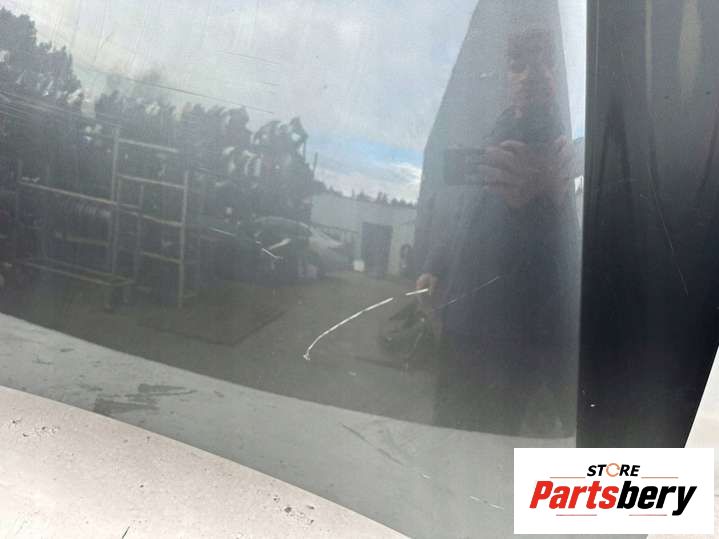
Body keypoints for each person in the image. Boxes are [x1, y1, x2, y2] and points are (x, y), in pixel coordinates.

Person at [417, 28, 582, 437]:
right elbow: (466, 208)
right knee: (447, 428)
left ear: (558, 75)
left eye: (544, 62)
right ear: (507, 76)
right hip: (462, 319)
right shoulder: (496, 133)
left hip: (510, 335)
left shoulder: (563, 145)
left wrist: (554, 193)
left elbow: (564, 256)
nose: (530, 74)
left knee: (490, 443)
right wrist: (435, 264)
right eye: (518, 64)